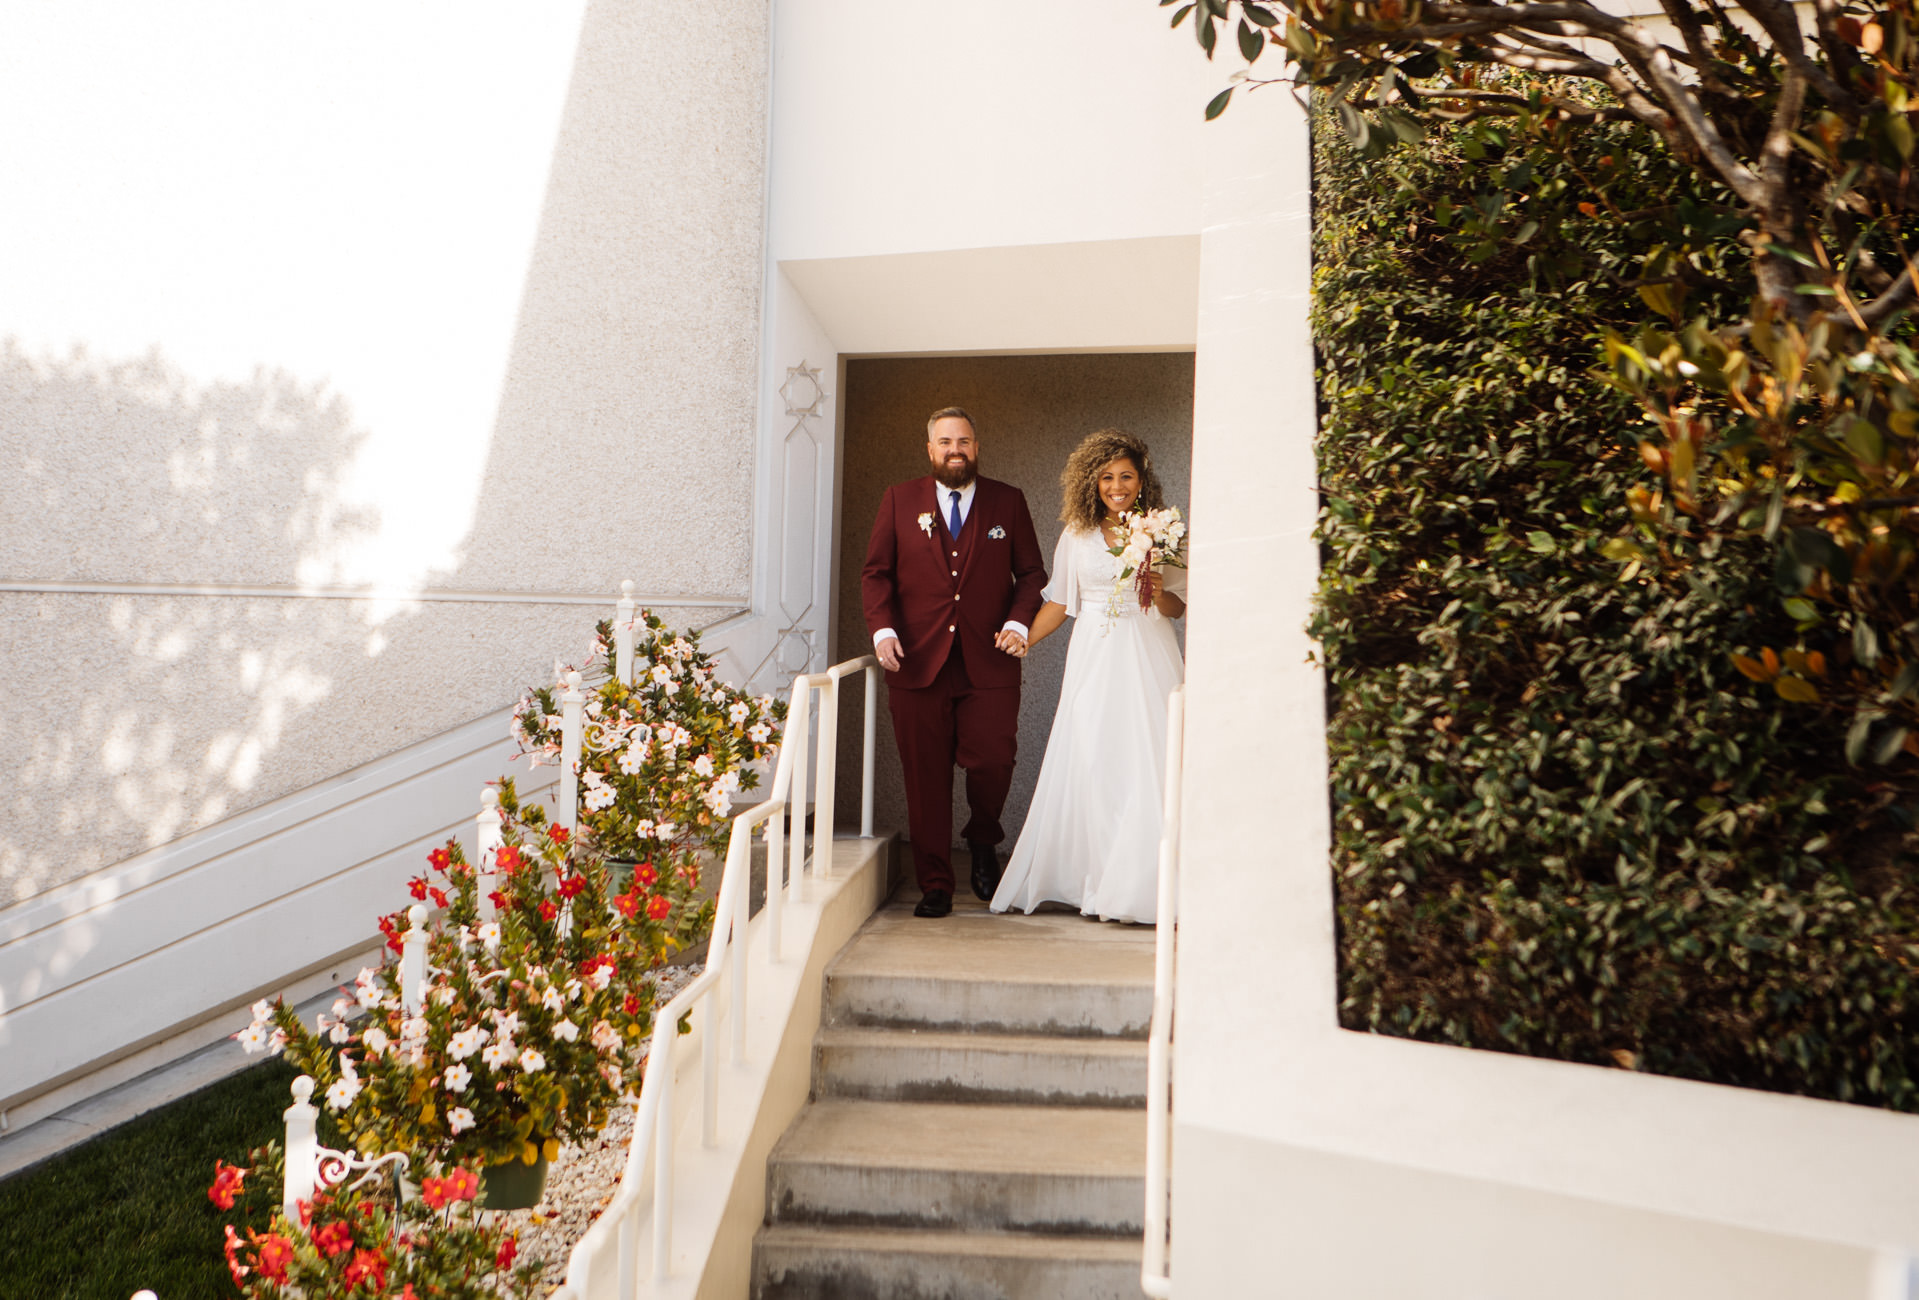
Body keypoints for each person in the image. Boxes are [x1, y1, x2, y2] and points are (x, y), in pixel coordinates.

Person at [991, 429, 1186, 924]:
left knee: (1149, 754)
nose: (1116, 485)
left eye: (1126, 476)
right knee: (1095, 755)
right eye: (1106, 477)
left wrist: (1156, 585)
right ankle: (1096, 879)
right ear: (1092, 482)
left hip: (1147, 648)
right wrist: (1025, 641)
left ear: (1142, 481)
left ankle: (1145, 883)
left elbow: (1176, 607)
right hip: (1094, 656)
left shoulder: (1163, 528)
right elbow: (1059, 603)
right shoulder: (1076, 535)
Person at [862, 407, 1048, 918]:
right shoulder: (900, 500)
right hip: (917, 664)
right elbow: (876, 574)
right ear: (930, 449)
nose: (955, 449)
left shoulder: (1007, 501)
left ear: (976, 446)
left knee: (993, 759)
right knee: (925, 777)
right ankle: (936, 883)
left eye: (963, 440)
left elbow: (1032, 573)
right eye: (945, 441)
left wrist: (1017, 623)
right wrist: (882, 629)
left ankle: (984, 838)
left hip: (989, 662)